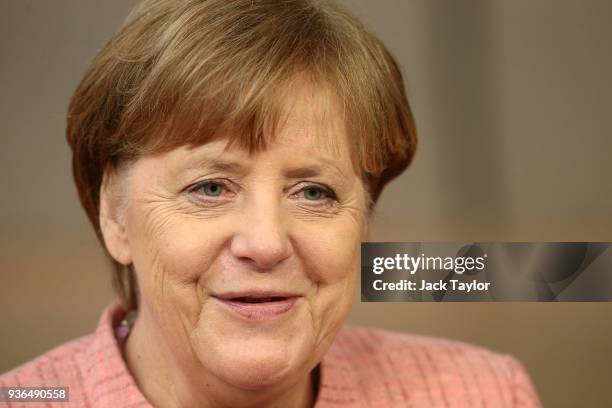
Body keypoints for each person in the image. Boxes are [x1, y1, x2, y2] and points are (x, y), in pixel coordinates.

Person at [0, 0, 541, 406]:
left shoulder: (483, 393)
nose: (265, 243)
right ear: (114, 215)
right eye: (210, 187)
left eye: (314, 192)